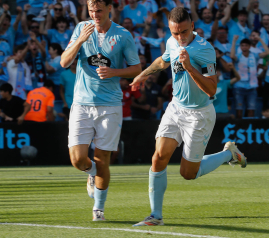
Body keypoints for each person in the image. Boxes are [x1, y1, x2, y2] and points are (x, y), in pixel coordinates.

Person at [130, 7, 247, 226]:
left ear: (192, 26)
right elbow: (162, 61)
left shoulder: (205, 49)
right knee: (158, 157)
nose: (180, 38)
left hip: (199, 115)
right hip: (176, 108)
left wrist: (190, 67)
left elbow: (211, 90)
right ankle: (155, 215)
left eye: (183, 32)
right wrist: (142, 76)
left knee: (188, 173)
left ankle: (228, 154)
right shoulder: (172, 42)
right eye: (175, 33)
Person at [60, 0, 141, 221]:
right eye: (91, 10)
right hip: (82, 103)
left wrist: (114, 72)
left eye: (98, 10)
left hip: (110, 105)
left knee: (102, 158)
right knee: (77, 160)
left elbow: (136, 69)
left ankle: (99, 208)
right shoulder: (81, 28)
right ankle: (91, 174)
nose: (94, 14)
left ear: (108, 9)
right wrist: (79, 41)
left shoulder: (123, 35)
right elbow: (64, 62)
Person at [231, 35, 269, 119]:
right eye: (242, 45)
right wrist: (234, 41)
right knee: (239, 111)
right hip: (239, 86)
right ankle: (239, 129)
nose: (244, 47)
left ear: (249, 47)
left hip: (252, 87)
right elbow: (232, 56)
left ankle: (249, 129)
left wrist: (260, 39)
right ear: (240, 47)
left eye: (246, 45)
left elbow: (268, 53)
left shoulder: (254, 55)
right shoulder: (239, 56)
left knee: (251, 110)